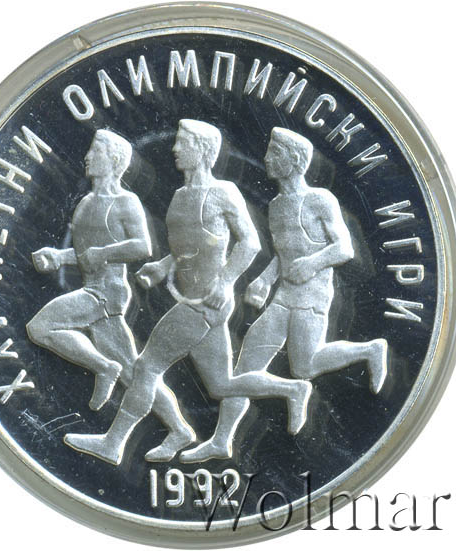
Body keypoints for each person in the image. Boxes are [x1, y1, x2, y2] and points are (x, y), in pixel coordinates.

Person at [64, 120, 312, 466]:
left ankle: (114, 442)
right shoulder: (181, 196)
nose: (175, 149)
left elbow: (250, 243)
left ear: (203, 150)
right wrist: (163, 266)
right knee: (221, 385)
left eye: (183, 143)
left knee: (146, 366)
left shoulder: (222, 192)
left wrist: (225, 282)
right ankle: (292, 389)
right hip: (193, 300)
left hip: (204, 303)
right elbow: (189, 249)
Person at [180, 127, 388, 463]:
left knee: (305, 365)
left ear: (293, 160)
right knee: (245, 368)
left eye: (274, 154)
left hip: (313, 296)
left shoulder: (320, 199)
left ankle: (370, 350)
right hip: (283, 296)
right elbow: (283, 253)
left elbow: (344, 248)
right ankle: (221, 439)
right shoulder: (277, 206)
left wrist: (312, 263)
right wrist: (264, 280)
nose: (266, 160)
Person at [26, 129, 195, 457]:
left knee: (40, 327)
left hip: (107, 293)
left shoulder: (125, 202)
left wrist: (103, 253)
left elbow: (142, 247)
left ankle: (103, 367)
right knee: (134, 371)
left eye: (96, 152)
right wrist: (58, 257)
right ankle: (180, 428)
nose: (88, 157)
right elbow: (85, 253)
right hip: (94, 289)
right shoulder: (86, 203)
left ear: (114, 160)